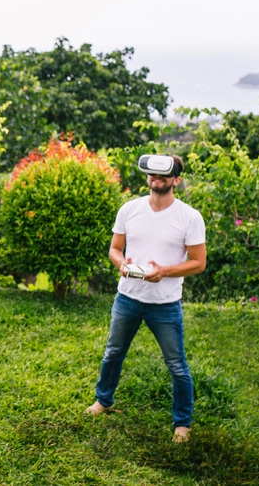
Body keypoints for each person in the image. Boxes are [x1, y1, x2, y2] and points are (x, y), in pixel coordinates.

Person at [85, 154, 206, 444]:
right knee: (113, 353)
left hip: (165, 304)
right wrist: (121, 264)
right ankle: (103, 401)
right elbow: (115, 248)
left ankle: (183, 423)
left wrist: (164, 271)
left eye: (164, 175)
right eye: (152, 174)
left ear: (176, 180)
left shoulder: (190, 217)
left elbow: (199, 262)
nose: (157, 179)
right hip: (127, 297)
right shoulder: (129, 209)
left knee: (176, 365)